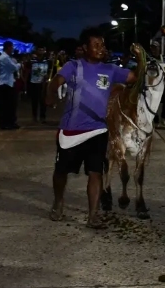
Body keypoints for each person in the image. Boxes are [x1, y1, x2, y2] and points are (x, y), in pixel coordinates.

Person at [45, 28, 137, 228]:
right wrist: (51, 93)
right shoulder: (73, 66)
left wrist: (141, 60)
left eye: (102, 45)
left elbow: (133, 77)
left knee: (96, 172)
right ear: (84, 48)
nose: (100, 48)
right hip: (71, 130)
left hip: (98, 130)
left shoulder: (111, 70)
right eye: (96, 45)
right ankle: (58, 202)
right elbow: (57, 81)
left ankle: (93, 215)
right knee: (61, 171)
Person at [0, 41, 21, 130]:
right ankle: (5, 123)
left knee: (11, 105)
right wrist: (19, 64)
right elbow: (14, 67)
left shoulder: (7, 57)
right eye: (12, 47)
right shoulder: (4, 58)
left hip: (8, 83)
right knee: (5, 105)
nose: (13, 49)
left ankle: (10, 122)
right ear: (8, 47)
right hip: (5, 83)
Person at [26, 46, 50, 124]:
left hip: (43, 83)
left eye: (42, 50)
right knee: (34, 101)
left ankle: (43, 117)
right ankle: (34, 116)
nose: (41, 51)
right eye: (39, 49)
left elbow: (50, 71)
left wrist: (48, 76)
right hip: (34, 82)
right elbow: (27, 71)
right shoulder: (32, 61)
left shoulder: (47, 61)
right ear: (36, 51)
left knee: (43, 101)